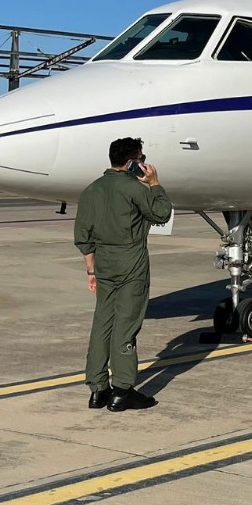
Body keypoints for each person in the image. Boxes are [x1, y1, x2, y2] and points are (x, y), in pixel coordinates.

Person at [74, 137, 172, 412]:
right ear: (131, 162)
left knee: (102, 322)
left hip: (103, 263)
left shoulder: (91, 190)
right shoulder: (134, 188)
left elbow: (83, 236)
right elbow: (161, 213)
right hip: (131, 262)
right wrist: (154, 184)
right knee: (126, 325)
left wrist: (91, 270)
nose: (143, 163)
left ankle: (97, 389)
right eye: (140, 158)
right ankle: (123, 390)